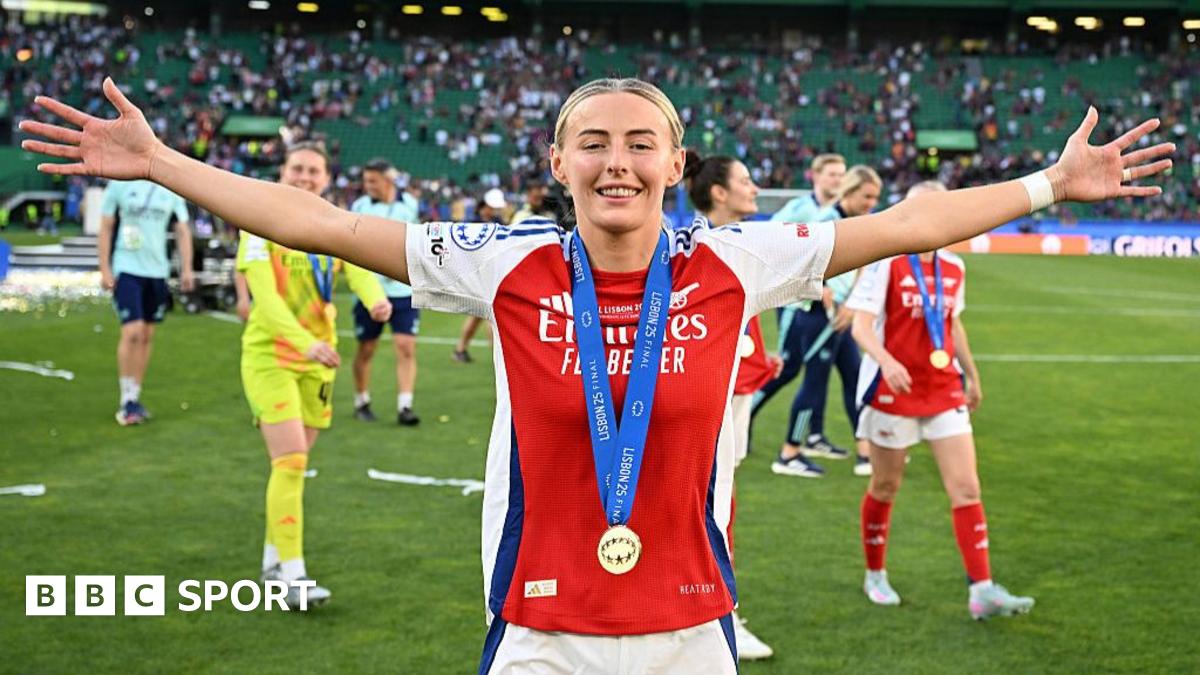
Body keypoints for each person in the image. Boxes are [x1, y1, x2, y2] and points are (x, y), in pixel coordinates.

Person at [22, 76, 1171, 671]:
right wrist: (167, 162)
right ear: (558, 159)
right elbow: (312, 220)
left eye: (639, 143)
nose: (616, 160)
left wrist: (1045, 188)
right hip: (541, 634)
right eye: (593, 141)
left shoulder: (738, 258)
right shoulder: (507, 264)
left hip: (688, 633)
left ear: (677, 162)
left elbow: (914, 223)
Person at [847, 179, 1033, 619]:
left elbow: (953, 324)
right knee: (885, 485)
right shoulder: (885, 263)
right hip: (893, 392)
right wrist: (887, 362)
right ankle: (875, 573)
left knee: (967, 487)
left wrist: (971, 372)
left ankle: (982, 590)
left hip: (943, 387)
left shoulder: (953, 267)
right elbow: (860, 325)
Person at [236, 141, 391, 609]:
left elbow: (358, 269)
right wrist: (305, 344)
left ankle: (271, 561)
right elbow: (264, 298)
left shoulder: (329, 223)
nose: (305, 177)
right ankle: (294, 576)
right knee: (291, 462)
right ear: (283, 172)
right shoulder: (259, 224)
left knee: (293, 468)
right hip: (272, 357)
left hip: (319, 361)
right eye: (297, 169)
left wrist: (374, 297)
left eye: (313, 171)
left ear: (325, 179)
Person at [682, 149, 781, 661]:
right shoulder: (704, 247)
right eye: (746, 180)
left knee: (718, 502)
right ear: (718, 192)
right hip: (714, 394)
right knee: (715, 505)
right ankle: (719, 615)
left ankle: (713, 609)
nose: (755, 188)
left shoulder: (730, 243)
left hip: (735, 387)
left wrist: (760, 360)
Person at [771, 166, 883, 478]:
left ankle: (865, 451)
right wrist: (824, 289)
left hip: (843, 316)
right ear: (849, 192)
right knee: (814, 384)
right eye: (867, 196)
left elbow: (864, 267)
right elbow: (798, 264)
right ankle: (789, 452)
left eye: (875, 197)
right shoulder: (824, 222)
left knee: (855, 378)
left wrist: (852, 304)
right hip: (817, 316)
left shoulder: (859, 223)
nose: (872, 203)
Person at [747, 156, 848, 477]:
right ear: (815, 176)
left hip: (824, 305)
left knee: (820, 371)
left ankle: (814, 435)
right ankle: (746, 412)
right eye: (832, 174)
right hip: (795, 306)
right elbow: (771, 240)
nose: (837, 180)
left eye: (842, 175)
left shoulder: (840, 211)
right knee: (788, 368)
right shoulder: (800, 208)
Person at [97, 176, 194, 425]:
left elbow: (182, 229)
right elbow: (106, 225)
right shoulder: (119, 183)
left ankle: (134, 396)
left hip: (157, 271)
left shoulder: (170, 186)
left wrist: (187, 268)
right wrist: (104, 268)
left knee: (147, 335)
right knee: (133, 331)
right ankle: (126, 400)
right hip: (126, 268)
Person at [349, 158, 422, 426]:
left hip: (403, 291)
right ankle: (362, 400)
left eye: (373, 181)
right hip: (371, 293)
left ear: (388, 180)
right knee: (367, 348)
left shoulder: (410, 206)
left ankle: (405, 406)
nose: (368, 186)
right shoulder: (360, 207)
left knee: (406, 347)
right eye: (366, 181)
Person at [452, 187, 508, 364]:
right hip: (479, 274)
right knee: (490, 315)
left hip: (492, 273)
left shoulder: (497, 220)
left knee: (478, 316)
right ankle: (498, 359)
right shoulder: (472, 223)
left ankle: (460, 349)